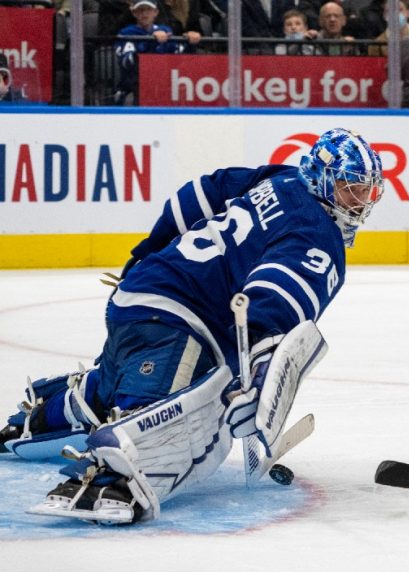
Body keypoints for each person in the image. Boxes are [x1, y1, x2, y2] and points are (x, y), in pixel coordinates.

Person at [0, 128, 385, 525]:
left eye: (367, 192)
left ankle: (38, 418)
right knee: (200, 419)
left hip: (139, 294)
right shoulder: (319, 236)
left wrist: (149, 254)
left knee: (116, 384)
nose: (359, 202)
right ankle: (112, 480)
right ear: (321, 178)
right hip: (181, 319)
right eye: (349, 188)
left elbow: (201, 192)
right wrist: (256, 373)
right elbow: (274, 300)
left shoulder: (281, 179)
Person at [115, 0, 190, 105]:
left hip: (163, 85)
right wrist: (150, 41)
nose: (145, 14)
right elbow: (127, 62)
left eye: (148, 10)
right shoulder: (126, 33)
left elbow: (179, 56)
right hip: (135, 86)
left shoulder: (165, 31)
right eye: (140, 10)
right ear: (134, 13)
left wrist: (189, 41)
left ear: (156, 12)